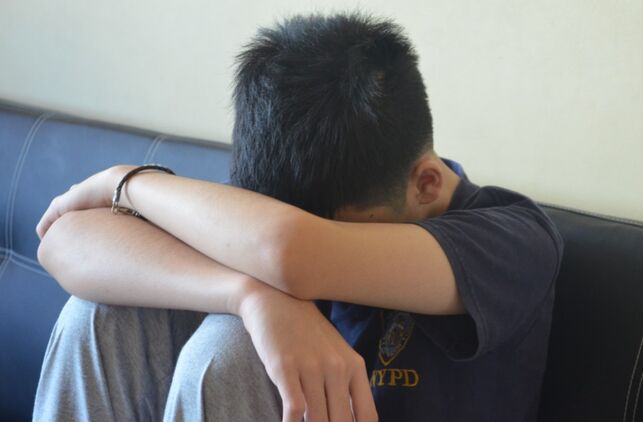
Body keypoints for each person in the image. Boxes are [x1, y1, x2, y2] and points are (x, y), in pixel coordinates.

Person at [32, 12, 563, 422]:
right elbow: (63, 241)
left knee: (228, 351)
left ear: (425, 183)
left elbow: (289, 250)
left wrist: (126, 179)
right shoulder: (291, 196)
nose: (273, 232)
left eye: (337, 230)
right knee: (101, 314)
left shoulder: (513, 241)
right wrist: (249, 295)